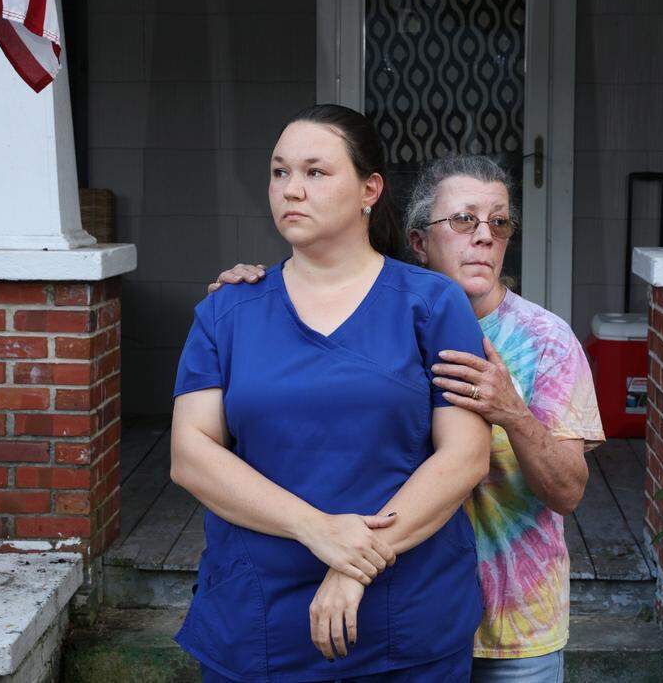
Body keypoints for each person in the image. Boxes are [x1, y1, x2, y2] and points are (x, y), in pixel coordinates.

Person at [212, 154, 605, 682]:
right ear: (420, 242)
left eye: (499, 222)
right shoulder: (379, 320)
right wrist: (252, 295)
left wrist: (511, 411)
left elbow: (567, 492)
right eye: (464, 220)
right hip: (395, 611)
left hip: (510, 625)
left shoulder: (546, 340)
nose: (485, 236)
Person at [171, 104, 492, 682]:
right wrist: (317, 528)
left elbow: (465, 454)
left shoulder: (431, 304)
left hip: (405, 618)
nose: (291, 190)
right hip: (260, 618)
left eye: (316, 173)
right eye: (279, 172)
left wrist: (353, 562)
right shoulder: (228, 310)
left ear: (370, 189)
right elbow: (190, 455)